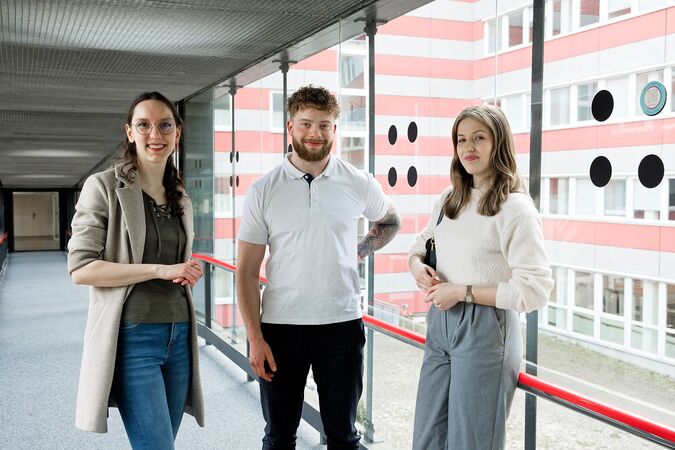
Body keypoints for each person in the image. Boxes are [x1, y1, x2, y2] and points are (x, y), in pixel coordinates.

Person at [236, 85, 401, 449]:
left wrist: (358, 250)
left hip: (341, 327)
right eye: (307, 124)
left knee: (344, 436)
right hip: (280, 329)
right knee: (279, 437)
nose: (315, 133)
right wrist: (255, 339)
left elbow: (390, 222)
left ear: (335, 130)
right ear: (290, 126)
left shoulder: (357, 181)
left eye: (325, 125)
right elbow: (246, 272)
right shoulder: (264, 189)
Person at [408, 104, 553, 450]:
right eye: (461, 139)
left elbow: (535, 290)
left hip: (486, 330)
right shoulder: (450, 198)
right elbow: (420, 244)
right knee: (426, 440)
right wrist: (417, 266)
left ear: (498, 143)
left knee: (471, 443)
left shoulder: (515, 209)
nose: (468, 148)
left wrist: (462, 291)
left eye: (479, 138)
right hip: (441, 322)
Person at [67, 91, 205, 449]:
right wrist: (159, 270)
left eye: (165, 125)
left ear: (178, 132)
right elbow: (82, 269)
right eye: (143, 125)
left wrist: (185, 270)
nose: (154, 134)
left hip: (179, 336)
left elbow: (173, 261)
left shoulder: (179, 194)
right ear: (130, 132)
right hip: (133, 336)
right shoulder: (104, 187)